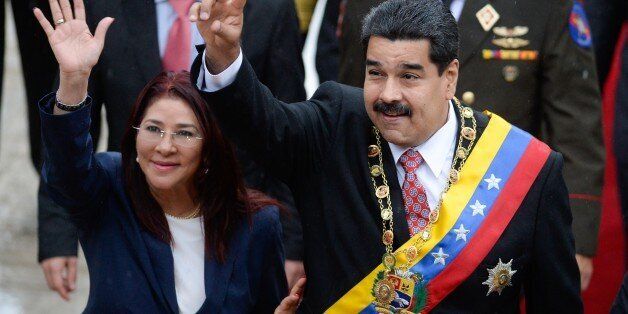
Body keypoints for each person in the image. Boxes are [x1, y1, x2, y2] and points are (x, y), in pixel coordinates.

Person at [189, 0, 582, 312]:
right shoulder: (336, 121)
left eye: (409, 76)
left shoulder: (526, 169)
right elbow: (264, 124)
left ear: (450, 77)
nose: (388, 94)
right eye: (375, 73)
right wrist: (224, 58)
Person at [32, 1, 308, 311]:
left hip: (234, 195)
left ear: (208, 147)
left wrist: (295, 242)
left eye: (184, 133)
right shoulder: (110, 193)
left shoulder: (258, 226)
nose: (165, 146)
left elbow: (288, 136)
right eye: (152, 129)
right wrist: (72, 81)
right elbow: (66, 165)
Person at [336, 0, 604, 291]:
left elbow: (576, 126)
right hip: (380, 214)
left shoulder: (545, 7)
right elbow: (347, 112)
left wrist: (577, 238)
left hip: (491, 220)